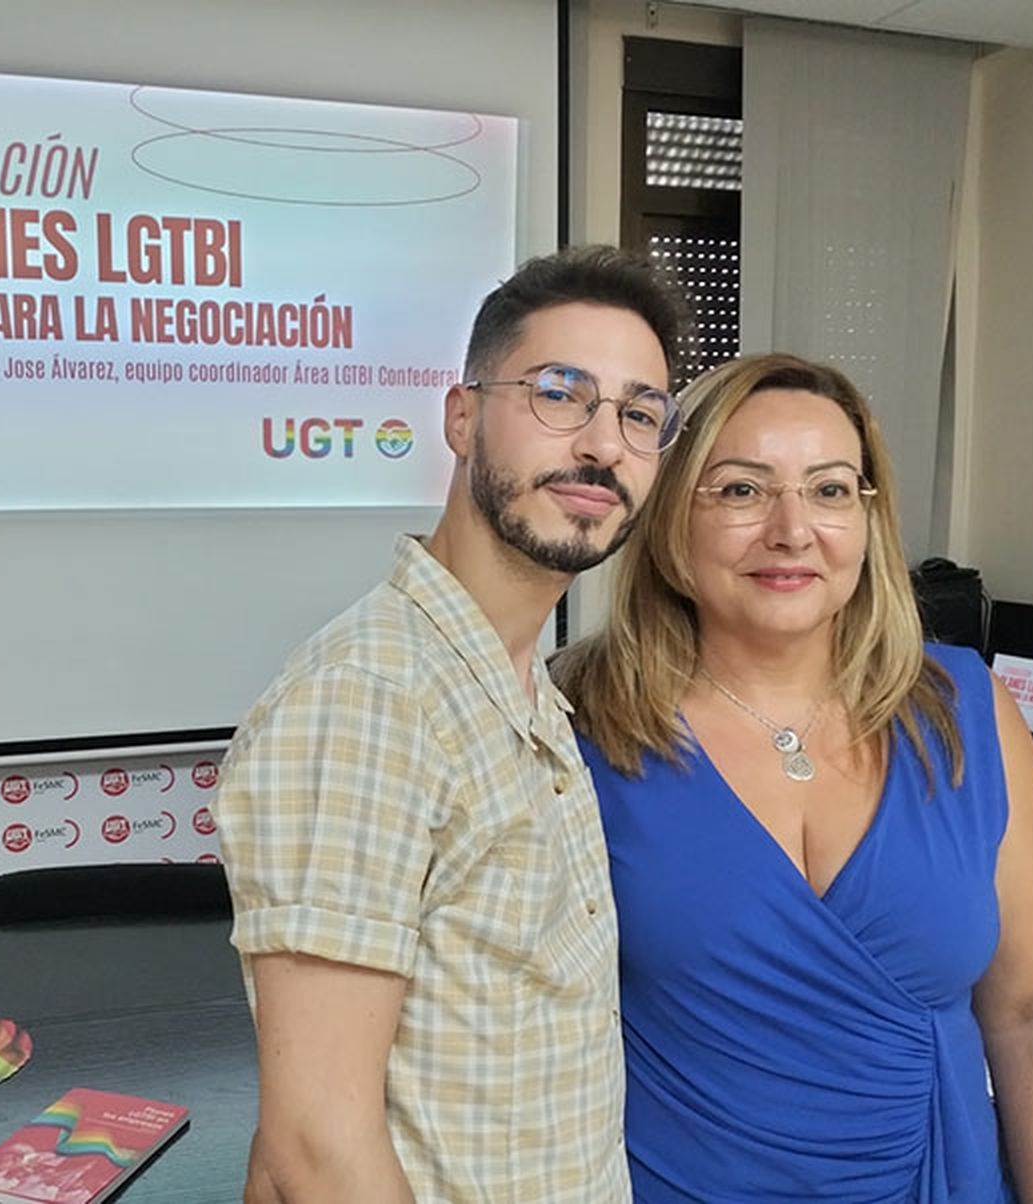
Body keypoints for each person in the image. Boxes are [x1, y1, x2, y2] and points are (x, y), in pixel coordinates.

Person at [555, 352, 1033, 1203]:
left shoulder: (963, 707)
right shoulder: (577, 716)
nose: (792, 530)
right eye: (740, 490)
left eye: (830, 489)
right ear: (669, 514)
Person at [214, 245, 688, 1203]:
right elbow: (319, 1150)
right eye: (561, 392)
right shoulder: (372, 702)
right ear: (463, 417)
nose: (602, 443)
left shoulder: (530, 691)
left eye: (639, 413)